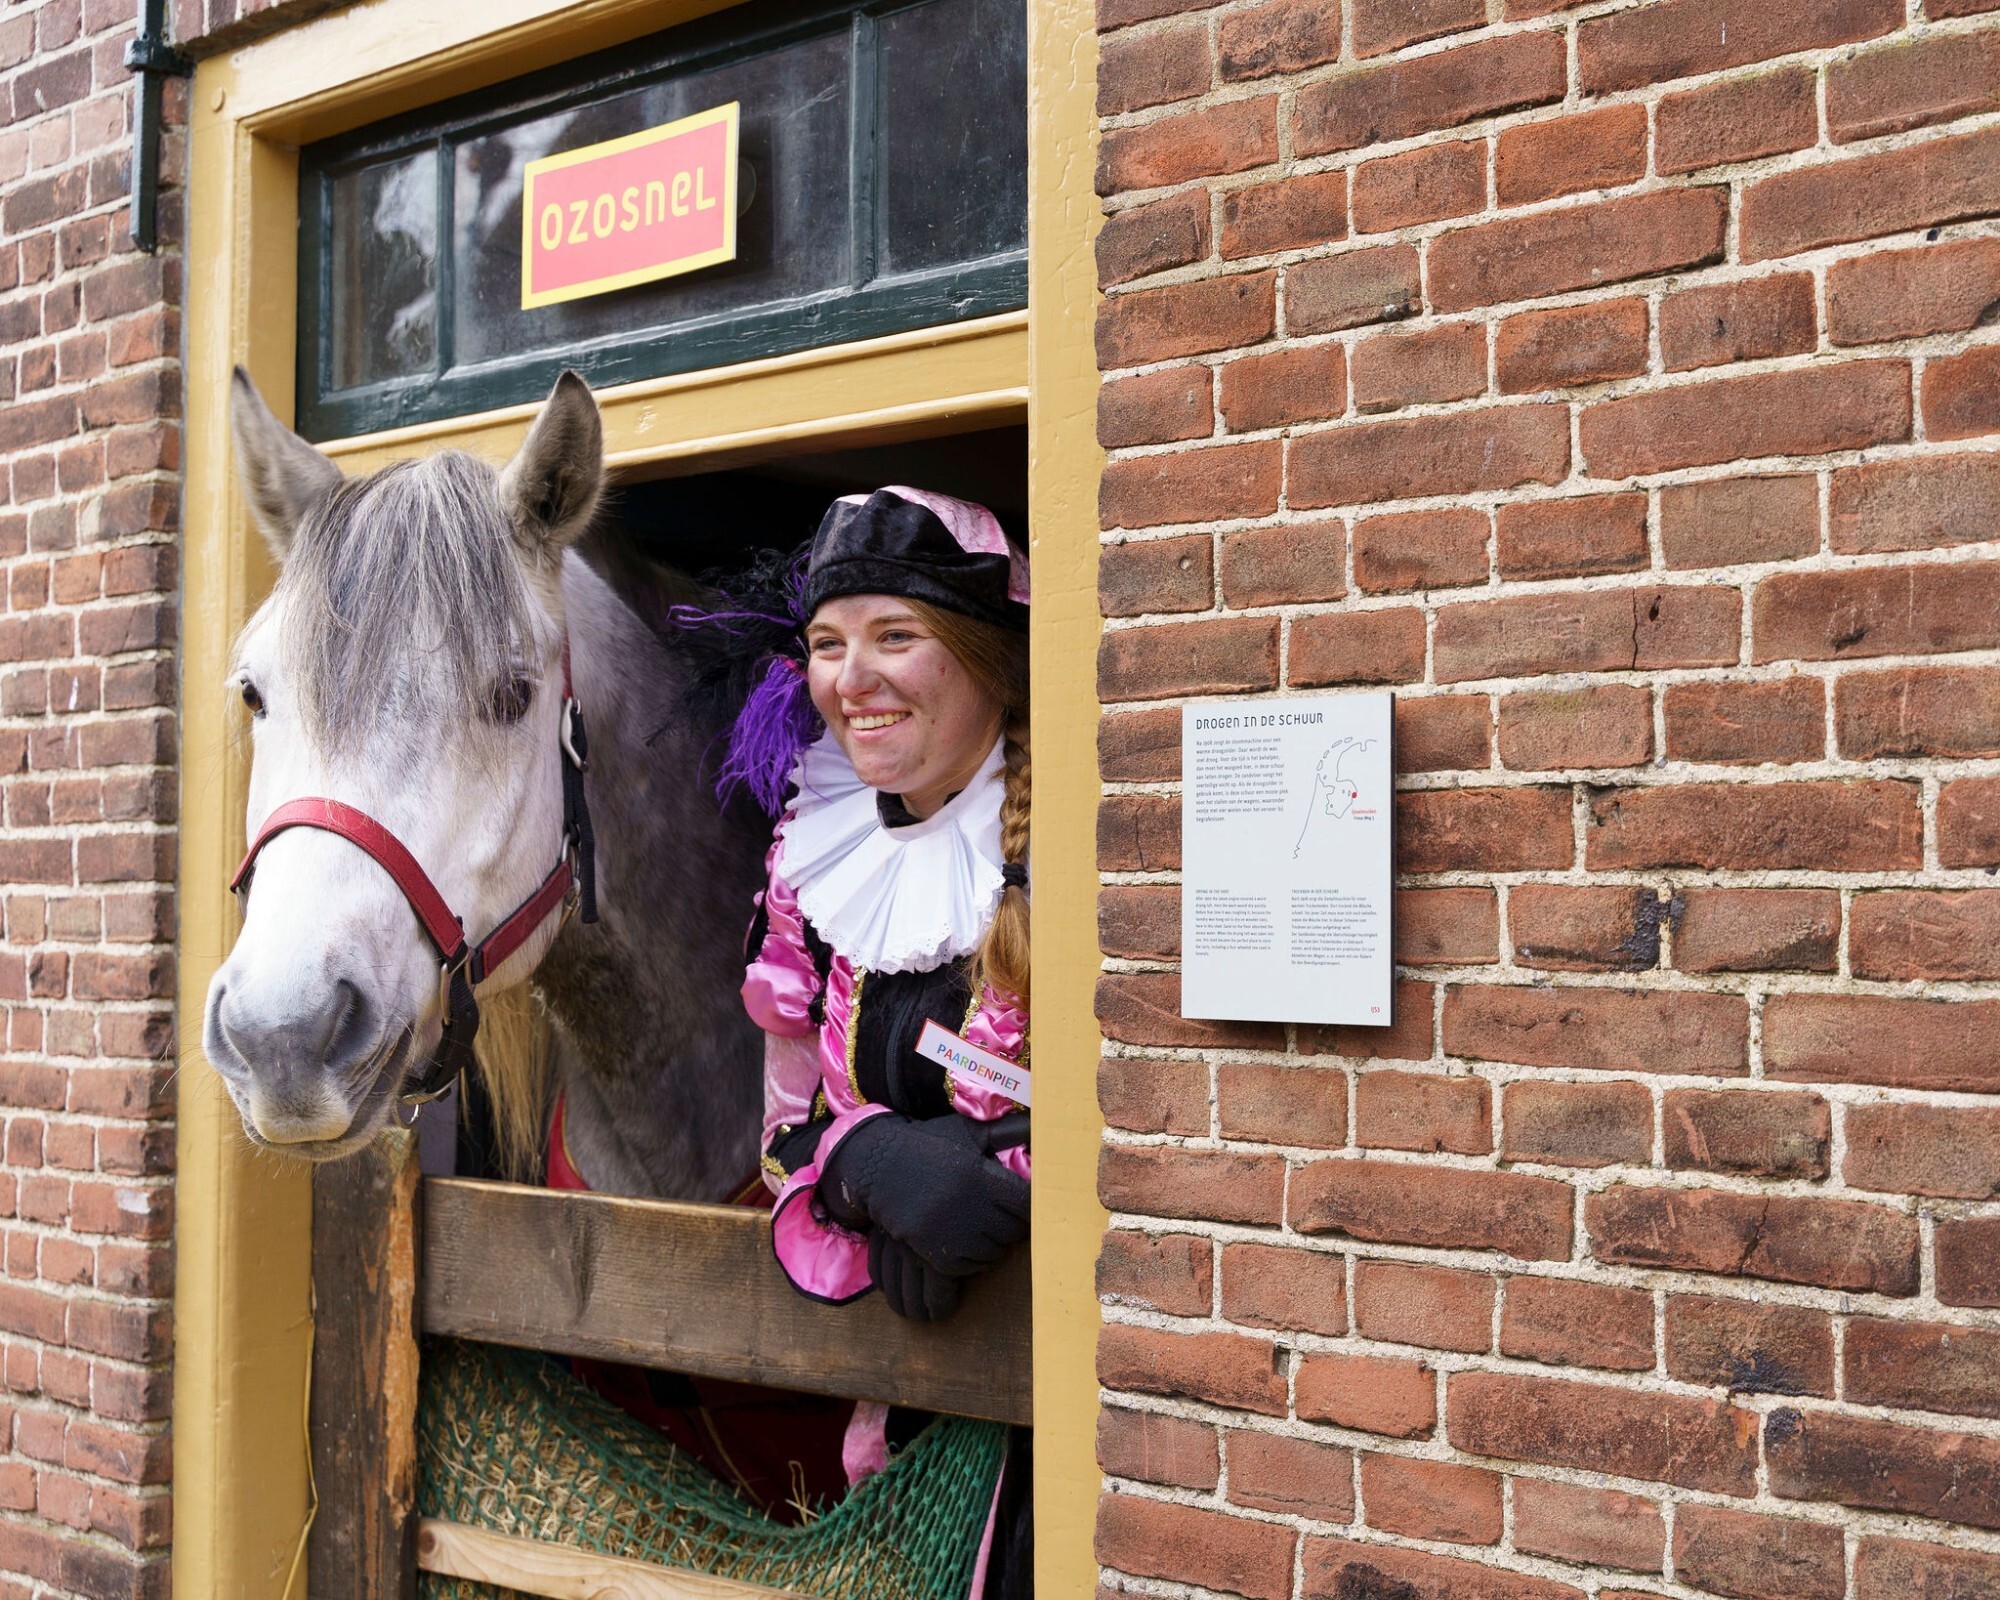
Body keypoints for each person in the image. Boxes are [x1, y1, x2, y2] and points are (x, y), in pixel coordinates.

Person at [731, 485, 1034, 1593]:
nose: (848, 679)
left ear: (987, 657)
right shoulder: (811, 861)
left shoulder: (1088, 833)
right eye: (825, 644)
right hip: (904, 1427)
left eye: (893, 637)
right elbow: (782, 1123)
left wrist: (999, 1180)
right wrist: (856, 1163)